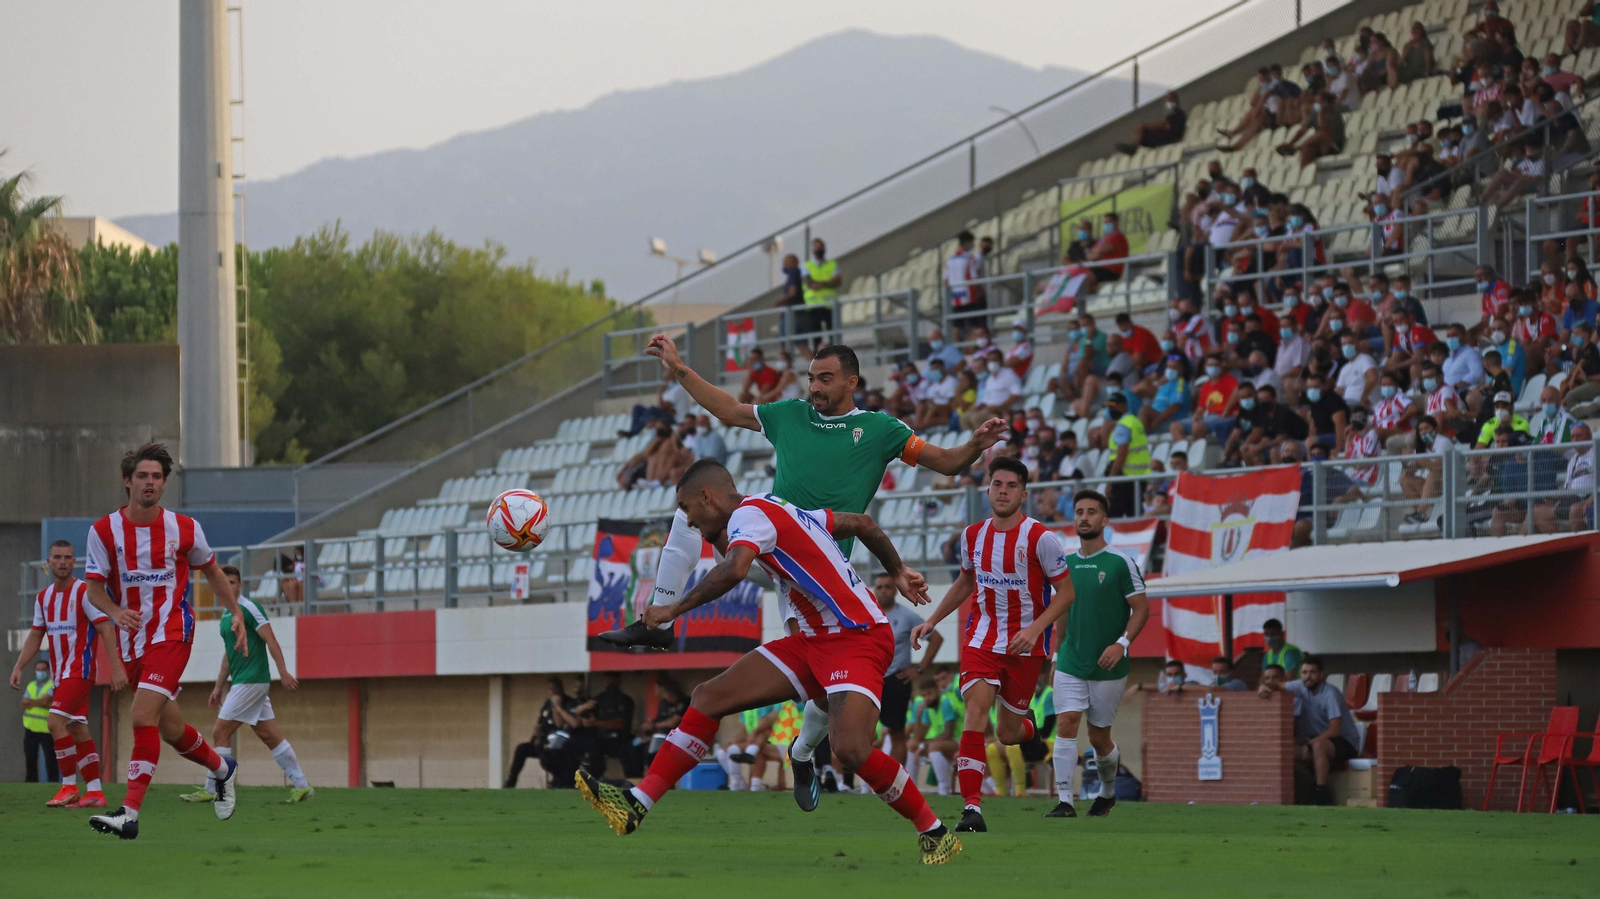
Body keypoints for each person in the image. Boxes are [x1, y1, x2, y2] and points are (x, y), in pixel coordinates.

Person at [599, 338, 1004, 772]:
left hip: (815, 572)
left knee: (821, 690)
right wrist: (679, 368)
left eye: (825, 379)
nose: (814, 387)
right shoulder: (789, 415)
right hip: (766, 550)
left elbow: (944, 462)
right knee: (687, 512)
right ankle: (659, 619)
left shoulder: (880, 430)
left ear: (852, 381)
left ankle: (803, 751)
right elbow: (729, 410)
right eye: (811, 377)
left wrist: (975, 446)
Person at [576, 460, 961, 865]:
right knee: (707, 697)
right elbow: (862, 524)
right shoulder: (776, 508)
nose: (688, 519)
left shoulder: (750, 515)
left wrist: (673, 609)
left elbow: (734, 570)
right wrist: (897, 569)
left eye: (688, 509)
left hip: (857, 636)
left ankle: (935, 832)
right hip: (812, 640)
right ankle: (635, 804)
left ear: (708, 497)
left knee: (850, 748)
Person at [84, 443, 246, 839]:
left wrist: (235, 611)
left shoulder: (184, 528)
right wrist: (117, 612)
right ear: (128, 482)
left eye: (157, 476)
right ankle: (223, 770)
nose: (150, 482)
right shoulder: (104, 531)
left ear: (164, 482)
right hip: (134, 638)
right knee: (170, 729)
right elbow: (93, 589)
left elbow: (211, 571)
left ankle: (129, 812)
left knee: (141, 717)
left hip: (173, 630)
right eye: (142, 476)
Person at [907, 457, 1071, 833]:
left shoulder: (1041, 538)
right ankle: (972, 809)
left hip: (1025, 646)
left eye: (1011, 485)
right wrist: (932, 621)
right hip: (981, 639)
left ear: (1024, 494)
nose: (1003, 491)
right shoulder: (972, 535)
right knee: (976, 714)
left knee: (1008, 734)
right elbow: (967, 581)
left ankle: (1028, 728)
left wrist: (1036, 629)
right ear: (987, 489)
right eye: (997, 484)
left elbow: (1066, 593)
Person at [1043, 489, 1149, 819]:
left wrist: (1122, 643)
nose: (1084, 517)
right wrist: (1056, 656)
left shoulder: (1121, 562)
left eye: (1091, 512)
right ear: (1073, 519)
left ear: (1104, 520)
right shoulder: (1066, 564)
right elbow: (1060, 612)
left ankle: (1106, 792)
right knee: (1066, 722)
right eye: (1079, 512)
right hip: (1072, 659)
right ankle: (1065, 802)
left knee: (1100, 737)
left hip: (1109, 667)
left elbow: (1142, 609)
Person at [179, 565, 312, 805]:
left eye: (232, 582)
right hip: (243, 681)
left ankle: (214, 789)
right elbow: (229, 655)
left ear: (239, 586)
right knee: (270, 736)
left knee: (220, 732)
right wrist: (218, 687)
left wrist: (283, 672)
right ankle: (303, 786)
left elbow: (270, 638)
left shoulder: (249, 608)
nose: (228, 586)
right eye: (224, 582)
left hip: (252, 681)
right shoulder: (226, 615)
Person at [9, 540, 121, 805]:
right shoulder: (43, 598)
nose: (62, 562)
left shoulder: (85, 592)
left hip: (80, 671)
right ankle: (94, 792)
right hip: (60, 677)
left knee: (54, 723)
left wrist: (116, 667)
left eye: (67, 557)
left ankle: (69, 787)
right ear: (48, 563)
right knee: (77, 729)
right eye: (57, 557)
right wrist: (18, 666)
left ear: (74, 562)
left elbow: (106, 628)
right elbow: (36, 636)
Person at [875, 572, 941, 769]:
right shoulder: (867, 612)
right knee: (864, 731)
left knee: (897, 733)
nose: (884, 590)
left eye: (888, 586)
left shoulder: (906, 616)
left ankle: (896, 782)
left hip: (896, 679)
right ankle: (863, 780)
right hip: (871, 678)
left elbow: (936, 638)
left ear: (895, 590)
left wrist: (919, 669)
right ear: (874, 590)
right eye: (880, 587)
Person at [1276, 656, 1360, 805]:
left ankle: (1321, 793)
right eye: (1304, 672)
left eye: (1312, 672)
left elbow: (1335, 730)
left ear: (1322, 675)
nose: (1308, 676)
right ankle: (1304, 794)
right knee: (1287, 751)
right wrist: (1264, 688)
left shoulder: (1330, 694)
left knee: (1318, 746)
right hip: (1319, 739)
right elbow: (1278, 685)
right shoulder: (1300, 686)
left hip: (1346, 742)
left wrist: (1308, 744)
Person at [505, 677, 580, 789]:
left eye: (554, 689)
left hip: (559, 745)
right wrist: (537, 734)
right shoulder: (547, 704)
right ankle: (511, 781)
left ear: (560, 688)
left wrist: (556, 706)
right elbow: (541, 722)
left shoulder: (569, 703)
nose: (552, 692)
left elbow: (559, 724)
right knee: (522, 748)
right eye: (549, 689)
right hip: (543, 740)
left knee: (547, 756)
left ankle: (558, 781)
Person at [1103, 392, 1150, 518]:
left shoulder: (1123, 425)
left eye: (1115, 406)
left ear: (1124, 406)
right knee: (1134, 514)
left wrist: (1110, 482)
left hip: (1125, 478)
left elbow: (1121, 456)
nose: (1111, 409)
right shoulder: (1134, 421)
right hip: (1139, 477)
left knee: (1116, 515)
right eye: (1110, 407)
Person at [620, 367, 688, 437]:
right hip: (668, 414)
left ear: (672, 378)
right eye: (664, 379)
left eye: (666, 379)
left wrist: (660, 393)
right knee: (637, 408)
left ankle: (634, 432)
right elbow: (664, 406)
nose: (665, 381)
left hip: (676, 418)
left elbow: (662, 406)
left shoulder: (678, 389)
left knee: (651, 411)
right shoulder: (669, 390)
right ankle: (635, 429)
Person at [20, 659, 56, 784]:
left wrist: (31, 702)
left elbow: (47, 702)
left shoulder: (52, 685)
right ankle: (31, 783)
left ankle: (53, 782)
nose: (40, 672)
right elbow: (23, 703)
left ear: (48, 671)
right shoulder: (31, 685)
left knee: (50, 759)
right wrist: (39, 702)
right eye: (38, 669)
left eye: (43, 669)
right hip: (30, 728)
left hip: (46, 729)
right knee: (30, 758)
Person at [1117, 91, 1186, 154]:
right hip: (1165, 138)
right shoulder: (1171, 114)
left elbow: (1165, 126)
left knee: (1142, 130)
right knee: (1143, 134)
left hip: (1168, 140)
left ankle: (1134, 147)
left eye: (1169, 100)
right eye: (1167, 100)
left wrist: (1146, 126)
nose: (1167, 102)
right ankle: (1133, 146)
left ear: (1175, 100)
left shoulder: (1179, 114)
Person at [945, 231, 987, 332]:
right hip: (969, 296)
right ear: (967, 243)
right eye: (972, 243)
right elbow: (974, 278)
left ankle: (956, 346)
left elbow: (945, 280)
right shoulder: (969, 257)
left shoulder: (950, 259)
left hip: (956, 297)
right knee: (975, 326)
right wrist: (982, 292)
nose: (972, 245)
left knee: (956, 326)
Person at [800, 238, 840, 344]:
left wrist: (820, 284)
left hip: (829, 305)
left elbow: (837, 281)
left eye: (821, 247)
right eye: (816, 247)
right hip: (813, 306)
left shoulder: (832, 264)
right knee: (816, 338)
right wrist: (827, 283)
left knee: (833, 336)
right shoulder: (806, 266)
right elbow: (810, 283)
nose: (819, 249)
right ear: (812, 250)